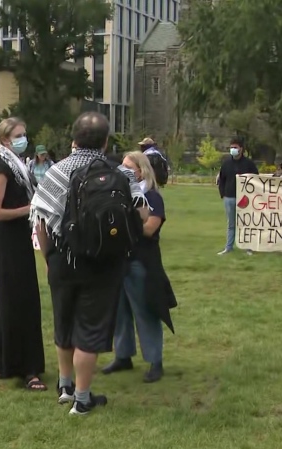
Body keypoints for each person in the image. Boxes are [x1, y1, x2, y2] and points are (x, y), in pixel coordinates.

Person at [31, 112, 149, 415]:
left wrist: (49, 259)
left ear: (74, 139)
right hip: (104, 262)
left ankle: (66, 385)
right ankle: (82, 399)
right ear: (106, 141)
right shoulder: (121, 174)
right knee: (90, 328)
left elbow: (41, 222)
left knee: (65, 321)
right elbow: (142, 214)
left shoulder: (56, 172)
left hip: (62, 259)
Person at [101, 151, 176, 383]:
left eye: (127, 167)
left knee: (145, 312)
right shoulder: (120, 195)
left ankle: (155, 361)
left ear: (140, 171)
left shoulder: (152, 197)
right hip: (119, 261)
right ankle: (123, 356)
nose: (122, 171)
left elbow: (149, 228)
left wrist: (123, 220)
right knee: (120, 312)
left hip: (141, 262)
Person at [0, 117, 47, 392]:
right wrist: (29, 209)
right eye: (18, 135)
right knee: (19, 299)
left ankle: (3, 362)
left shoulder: (18, 166)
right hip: (7, 240)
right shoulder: (2, 169)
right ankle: (27, 368)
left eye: (25, 133)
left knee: (9, 298)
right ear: (5, 140)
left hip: (17, 238)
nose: (24, 139)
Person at [216, 138, 258, 255]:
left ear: (241, 149)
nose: (233, 149)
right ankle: (228, 247)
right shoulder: (226, 164)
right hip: (229, 197)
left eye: (235, 147)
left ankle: (248, 247)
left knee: (246, 223)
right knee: (231, 224)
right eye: (231, 147)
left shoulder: (249, 164)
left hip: (245, 198)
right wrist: (223, 194)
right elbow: (221, 179)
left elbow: (256, 180)